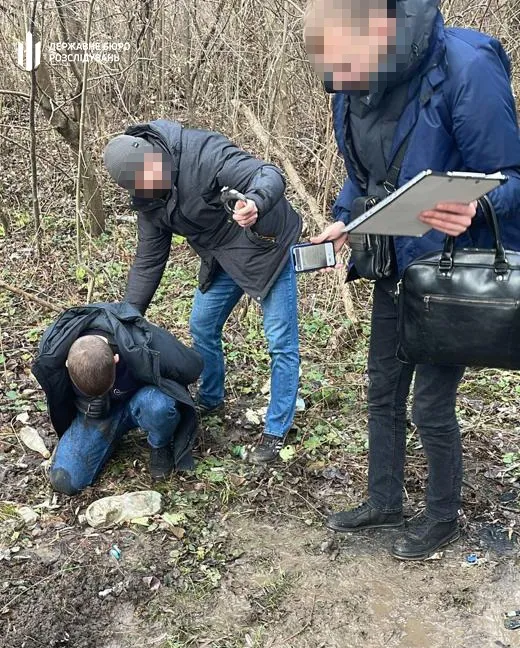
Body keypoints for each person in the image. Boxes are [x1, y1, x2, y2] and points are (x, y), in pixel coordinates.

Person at [304, 0, 520, 559]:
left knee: (429, 401)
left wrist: (477, 205)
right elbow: (362, 176)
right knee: (381, 388)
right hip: (394, 262)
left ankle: (441, 515)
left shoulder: (466, 67)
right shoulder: (349, 88)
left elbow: (512, 175)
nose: (344, 84)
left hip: (451, 273)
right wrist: (343, 219)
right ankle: (384, 501)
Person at [102, 121, 302, 464]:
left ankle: (276, 429)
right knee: (202, 324)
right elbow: (148, 263)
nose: (155, 184)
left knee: (280, 341)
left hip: (267, 246)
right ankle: (211, 398)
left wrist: (255, 202)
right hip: (221, 255)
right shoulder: (150, 203)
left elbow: (268, 173)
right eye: (145, 185)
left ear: (156, 156)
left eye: (155, 175)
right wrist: (124, 321)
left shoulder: (202, 154)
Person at [32, 302, 203, 495]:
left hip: (142, 399)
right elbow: (62, 397)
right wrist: (86, 404)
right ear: (67, 365)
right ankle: (107, 439)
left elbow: (193, 366)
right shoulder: (54, 350)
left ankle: (159, 444)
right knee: (66, 481)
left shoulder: (137, 340)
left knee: (159, 406)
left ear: (116, 359)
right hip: (99, 416)